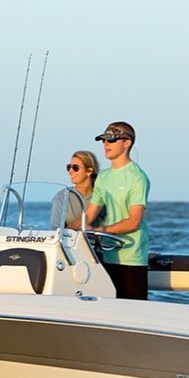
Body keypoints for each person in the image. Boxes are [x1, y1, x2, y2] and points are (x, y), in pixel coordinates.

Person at [68, 121, 150, 300]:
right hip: (106, 255)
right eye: (103, 140)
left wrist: (100, 231)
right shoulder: (103, 177)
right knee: (108, 308)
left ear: (127, 142)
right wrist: (61, 231)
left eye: (111, 140)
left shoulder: (138, 178)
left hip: (132, 256)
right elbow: (88, 216)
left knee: (134, 312)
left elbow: (134, 221)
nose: (105, 144)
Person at [64, 150, 102, 227]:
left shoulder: (103, 196)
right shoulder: (62, 197)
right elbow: (55, 229)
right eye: (69, 167)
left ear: (89, 171)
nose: (70, 171)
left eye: (75, 168)